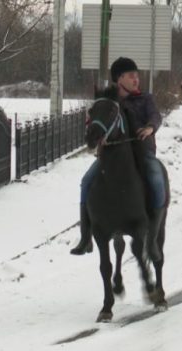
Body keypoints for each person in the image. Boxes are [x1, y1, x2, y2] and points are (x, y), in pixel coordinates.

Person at [71, 57, 166, 258]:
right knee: (86, 181)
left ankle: (153, 238)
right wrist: (97, 132)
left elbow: (156, 116)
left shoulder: (145, 99)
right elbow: (95, 120)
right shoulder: (110, 102)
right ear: (119, 79)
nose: (136, 80)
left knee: (158, 180)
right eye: (131, 76)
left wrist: (150, 127)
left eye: (137, 76)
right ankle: (85, 237)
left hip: (143, 153)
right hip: (112, 157)